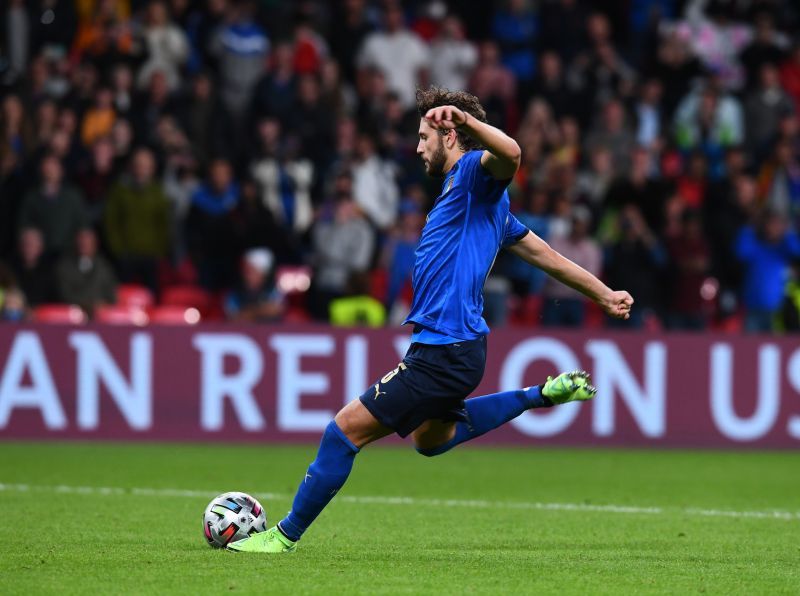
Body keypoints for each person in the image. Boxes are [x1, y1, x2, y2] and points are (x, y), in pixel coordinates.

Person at [227, 87, 633, 554]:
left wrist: (467, 121)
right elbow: (551, 259)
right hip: (458, 351)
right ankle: (539, 394)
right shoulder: (485, 208)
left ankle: (283, 536)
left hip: (446, 349)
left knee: (343, 432)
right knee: (430, 440)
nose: (418, 148)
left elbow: (512, 154)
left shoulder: (473, 176)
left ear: (450, 134)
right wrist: (604, 293)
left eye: (424, 137)